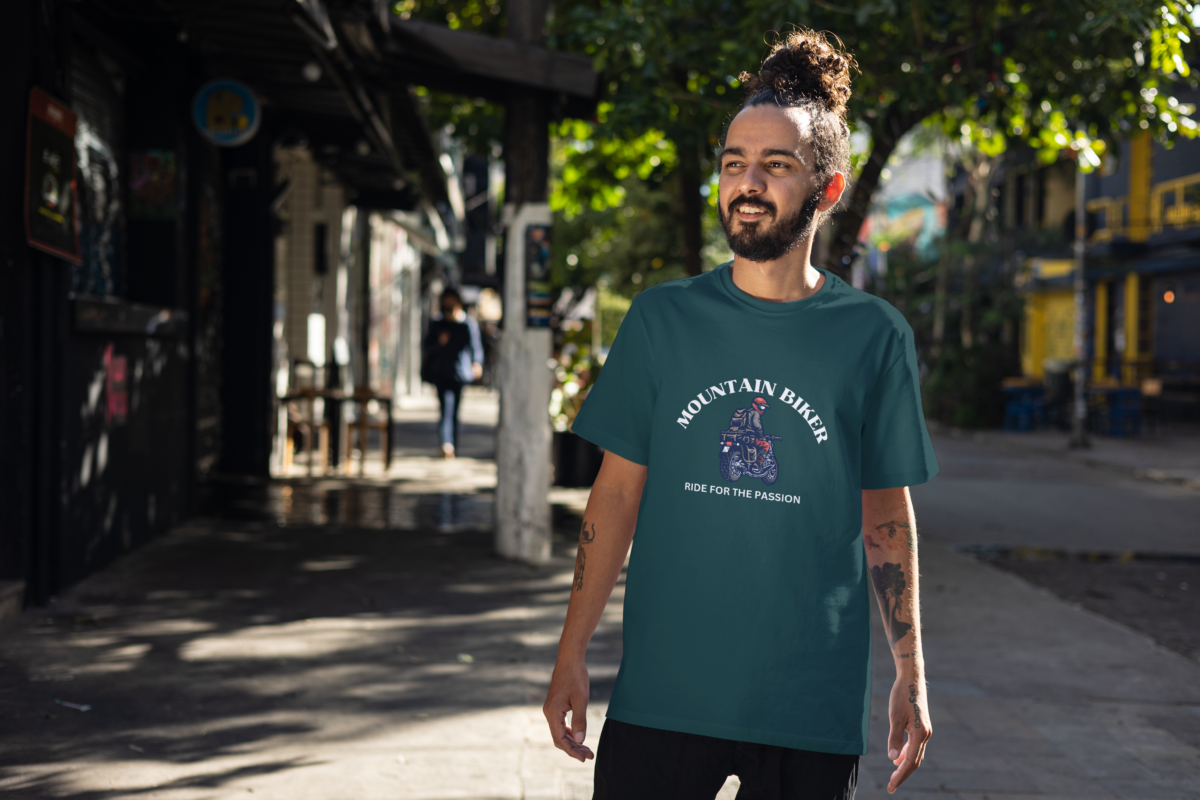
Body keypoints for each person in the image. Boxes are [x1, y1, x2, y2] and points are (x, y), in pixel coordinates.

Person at [542, 30, 939, 799]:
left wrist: (911, 670)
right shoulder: (663, 321)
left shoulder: (874, 336)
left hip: (807, 702)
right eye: (733, 164)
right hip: (665, 693)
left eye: (775, 166)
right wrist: (571, 650)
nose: (746, 183)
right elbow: (615, 497)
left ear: (827, 189)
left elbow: (886, 510)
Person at [421, 288, 483, 458]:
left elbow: (475, 346)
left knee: (455, 410)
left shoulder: (467, 323)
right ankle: (446, 443)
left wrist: (477, 363)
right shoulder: (438, 323)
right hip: (441, 372)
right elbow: (427, 347)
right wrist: (440, 342)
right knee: (446, 408)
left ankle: (452, 442)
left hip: (460, 373)